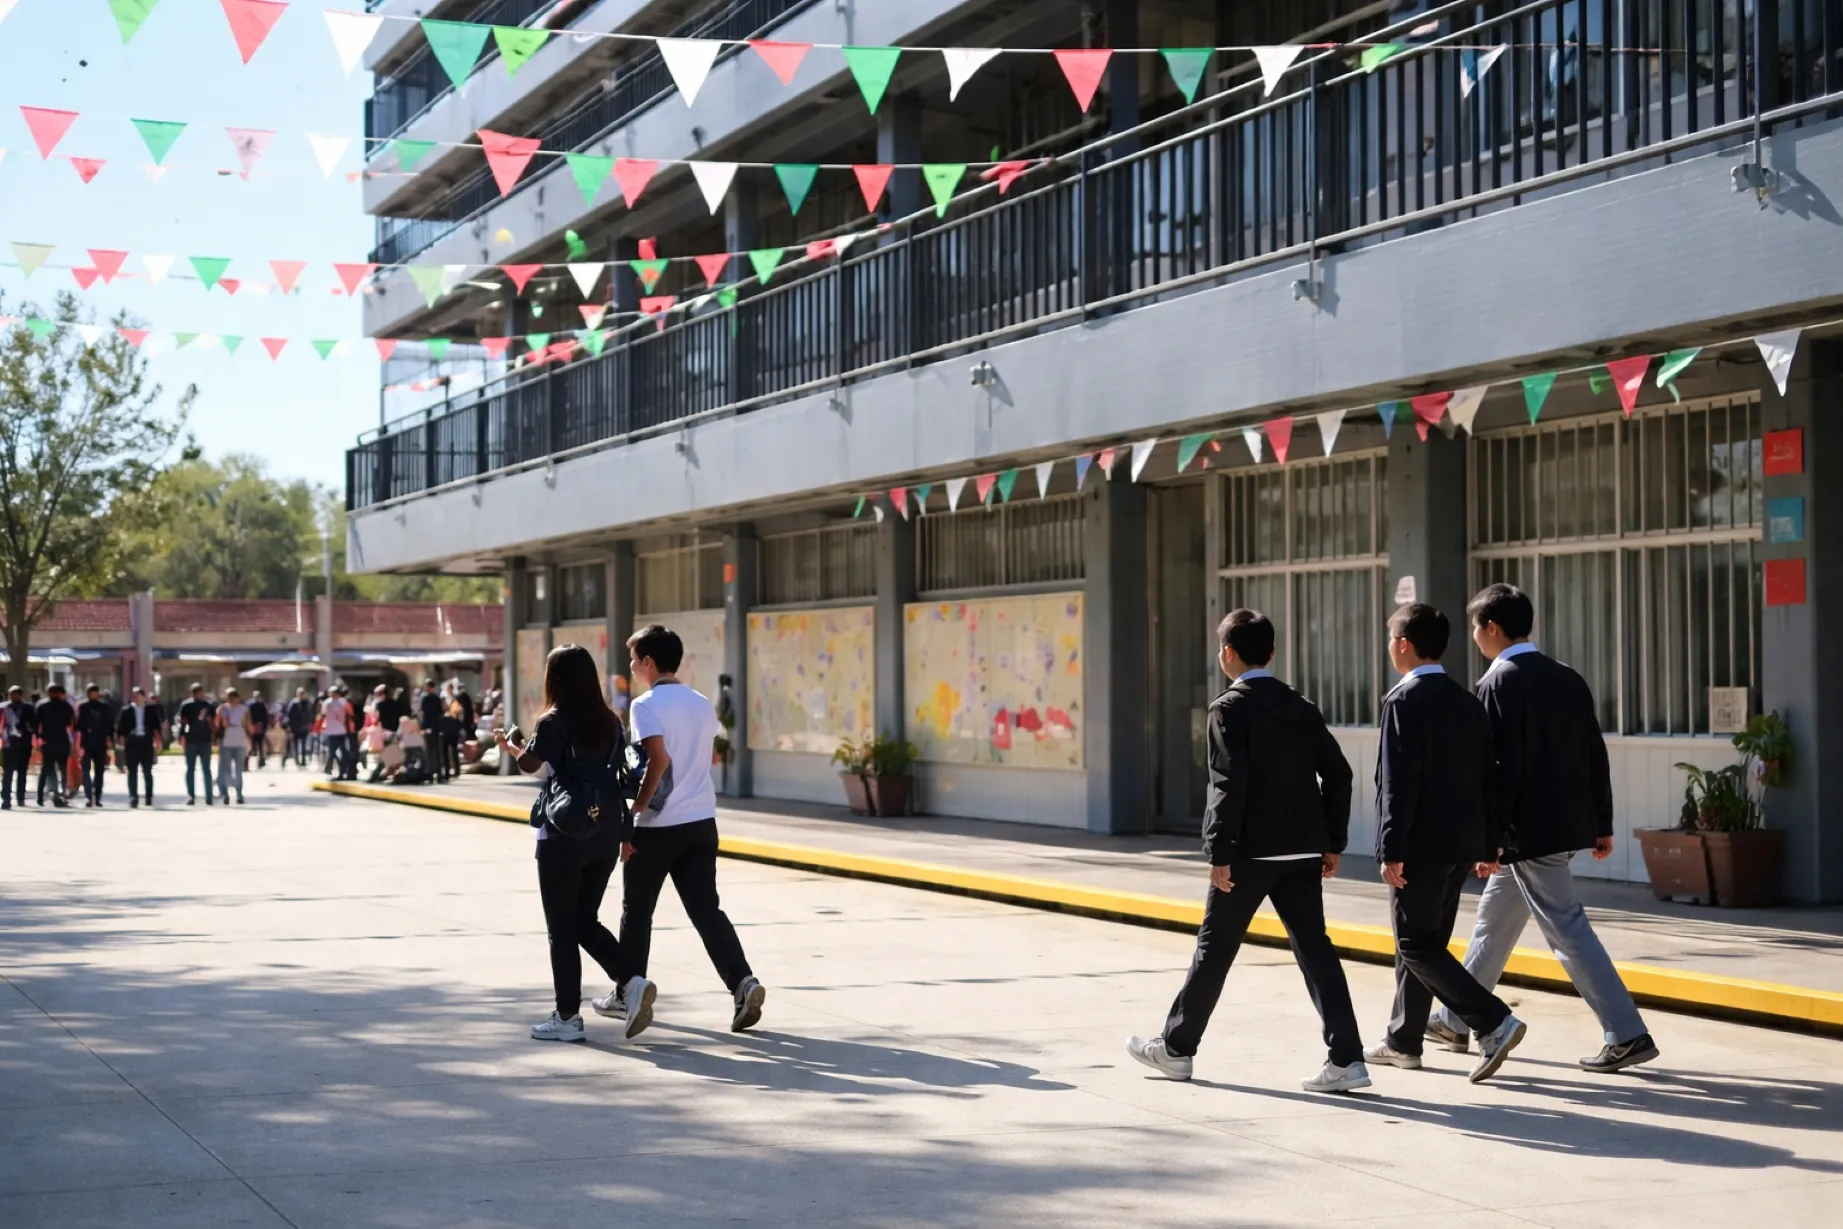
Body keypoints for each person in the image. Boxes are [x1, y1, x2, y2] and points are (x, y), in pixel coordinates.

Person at [1127, 610, 1367, 1092]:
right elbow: (1339, 774)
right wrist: (1332, 841)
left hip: (1248, 854)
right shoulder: (1301, 705)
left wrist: (1218, 852)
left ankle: (1176, 1049)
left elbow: (1228, 784)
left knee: (1215, 949)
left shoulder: (1227, 708)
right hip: (1302, 853)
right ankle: (1347, 1059)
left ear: (1227, 654)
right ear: (1272, 653)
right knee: (1316, 951)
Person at [1426, 585, 1659, 1073]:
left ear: (1492, 628)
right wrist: (1601, 821)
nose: (1474, 637)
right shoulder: (1566, 677)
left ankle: (1626, 1033)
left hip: (1526, 833)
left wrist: (1488, 838)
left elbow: (1497, 771)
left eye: (1476, 628)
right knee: (1494, 921)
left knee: (1566, 927)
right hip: (1564, 825)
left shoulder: (1496, 683)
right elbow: (1594, 752)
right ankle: (1455, 1018)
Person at [1365, 603, 1527, 1085]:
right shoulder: (1466, 699)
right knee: (1424, 944)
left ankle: (1492, 1021)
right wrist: (1488, 844)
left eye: (1391, 639)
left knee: (1414, 944)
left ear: (1402, 645)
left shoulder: (1403, 700)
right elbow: (1488, 779)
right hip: (1460, 845)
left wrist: (1389, 848)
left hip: (1419, 845)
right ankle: (1403, 1041)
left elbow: (1397, 784)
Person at [495, 643, 656, 1043]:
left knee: (561, 928)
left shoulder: (552, 721)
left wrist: (513, 747)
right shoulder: (610, 720)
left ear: (555, 679)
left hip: (565, 831)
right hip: (607, 830)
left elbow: (531, 764)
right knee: (584, 920)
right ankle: (632, 981)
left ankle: (567, 1016)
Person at [611, 625, 765, 1033]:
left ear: (648, 662)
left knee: (636, 911)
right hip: (701, 822)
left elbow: (658, 761)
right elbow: (707, 758)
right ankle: (743, 983)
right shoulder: (700, 702)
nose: (631, 666)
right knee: (706, 910)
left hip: (658, 826)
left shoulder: (645, 705)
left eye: (633, 659)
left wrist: (636, 812)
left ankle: (629, 992)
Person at [117, 685, 163, 808]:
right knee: (132, 771)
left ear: (143, 697)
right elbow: (121, 729)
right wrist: (122, 740)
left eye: (138, 695)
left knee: (147, 771)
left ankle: (148, 797)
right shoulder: (126, 711)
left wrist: (158, 740)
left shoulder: (150, 710)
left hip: (146, 742)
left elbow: (156, 727)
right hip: (132, 742)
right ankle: (133, 797)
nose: (136, 697)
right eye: (134, 695)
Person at [35, 683, 75, 808]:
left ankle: (48, 794)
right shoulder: (67, 707)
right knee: (62, 769)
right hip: (62, 741)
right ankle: (61, 794)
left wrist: (38, 739)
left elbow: (36, 725)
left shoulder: (42, 706)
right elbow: (70, 724)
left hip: (47, 741)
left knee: (48, 769)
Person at [178, 684, 219, 805]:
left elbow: (184, 723)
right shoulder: (192, 705)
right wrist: (183, 736)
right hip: (196, 740)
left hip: (200, 740)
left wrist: (183, 736)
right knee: (199, 769)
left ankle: (203, 796)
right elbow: (184, 723)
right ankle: (198, 796)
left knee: (198, 769)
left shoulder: (204, 705)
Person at [76, 684, 113, 807]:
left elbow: (109, 725)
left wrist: (110, 739)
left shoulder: (104, 707)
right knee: (85, 770)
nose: (93, 695)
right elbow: (79, 726)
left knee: (99, 771)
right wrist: (79, 744)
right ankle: (88, 796)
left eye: (95, 692)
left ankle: (97, 796)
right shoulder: (83, 708)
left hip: (101, 743)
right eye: (91, 693)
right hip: (86, 743)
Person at [2, 685, 36, 810]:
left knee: (22, 772)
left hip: (24, 744)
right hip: (8, 744)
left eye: (16, 694)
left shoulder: (28, 708)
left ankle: (20, 798)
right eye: (11, 694)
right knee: (8, 772)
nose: (13, 696)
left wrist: (27, 729)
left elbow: (34, 724)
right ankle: (6, 799)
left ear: (21, 695)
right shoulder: (3, 708)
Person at [216, 688, 251, 805]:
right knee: (226, 769)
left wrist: (249, 740)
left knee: (238, 769)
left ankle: (239, 794)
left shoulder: (243, 709)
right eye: (230, 697)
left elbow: (248, 725)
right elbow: (218, 723)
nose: (232, 699)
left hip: (239, 739)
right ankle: (225, 794)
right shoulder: (223, 709)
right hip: (227, 739)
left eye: (234, 696)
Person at [322, 685, 355, 780]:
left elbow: (324, 714)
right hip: (335, 731)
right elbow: (351, 713)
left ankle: (339, 770)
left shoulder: (330, 702)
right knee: (335, 752)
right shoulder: (334, 702)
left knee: (337, 752)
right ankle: (337, 769)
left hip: (339, 731)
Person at [418, 680, 449, 782]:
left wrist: (423, 728)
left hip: (428, 728)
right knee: (437, 752)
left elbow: (423, 714)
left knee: (429, 751)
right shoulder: (437, 698)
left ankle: (430, 774)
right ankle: (439, 775)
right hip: (436, 728)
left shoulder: (424, 699)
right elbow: (441, 713)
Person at [286, 687, 314, 767]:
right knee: (295, 744)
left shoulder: (308, 703)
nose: (302, 695)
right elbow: (290, 715)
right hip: (296, 727)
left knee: (304, 744)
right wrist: (289, 726)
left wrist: (310, 723)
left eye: (303, 693)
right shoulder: (294, 703)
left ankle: (304, 760)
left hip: (305, 726)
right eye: (300, 693)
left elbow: (311, 714)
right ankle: (296, 759)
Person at [247, 691, 270, 770]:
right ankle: (248, 761)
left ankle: (261, 761)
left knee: (260, 745)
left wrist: (264, 726)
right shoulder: (250, 705)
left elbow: (265, 717)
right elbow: (249, 716)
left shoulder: (261, 705)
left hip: (260, 727)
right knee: (253, 746)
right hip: (254, 727)